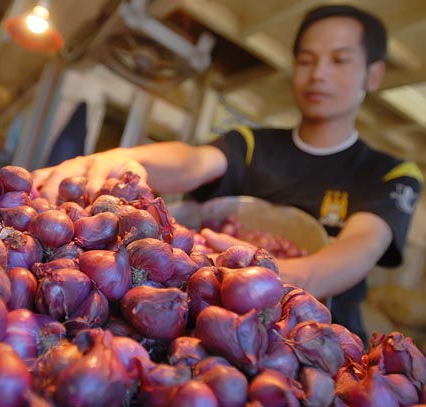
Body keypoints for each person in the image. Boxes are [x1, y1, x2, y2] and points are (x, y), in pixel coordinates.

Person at [32, 4, 423, 343]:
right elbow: (195, 163)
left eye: (339, 60)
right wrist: (129, 160)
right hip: (208, 311)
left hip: (317, 334)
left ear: (373, 75)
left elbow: (361, 247)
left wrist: (266, 277)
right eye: (306, 59)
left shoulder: (389, 173)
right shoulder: (253, 144)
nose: (318, 73)